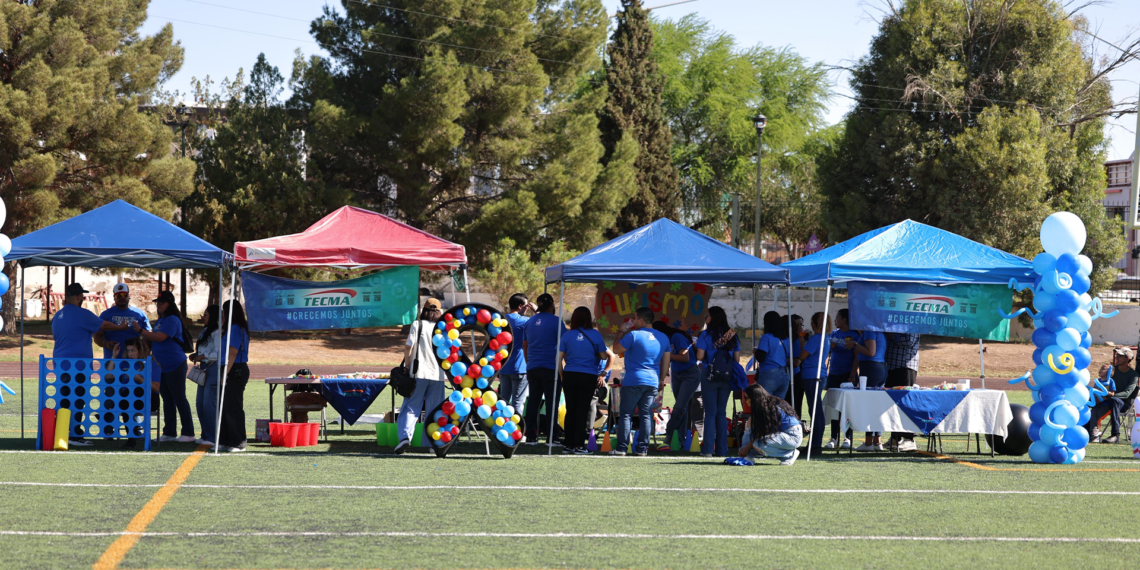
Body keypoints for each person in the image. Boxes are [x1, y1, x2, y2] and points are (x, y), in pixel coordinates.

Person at [52, 282, 129, 446]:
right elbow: (104, 325)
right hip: (77, 365)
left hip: (60, 365)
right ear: (79, 297)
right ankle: (75, 435)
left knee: (64, 399)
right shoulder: (82, 314)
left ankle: (62, 433)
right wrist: (122, 326)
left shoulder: (57, 315)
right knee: (78, 399)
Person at [133, 291, 193, 443]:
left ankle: (188, 432)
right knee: (167, 399)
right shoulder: (162, 320)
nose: (159, 304)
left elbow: (160, 338)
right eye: (157, 302)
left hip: (175, 364)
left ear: (170, 304)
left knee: (179, 398)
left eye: (162, 302)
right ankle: (170, 432)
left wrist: (141, 331)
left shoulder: (172, 320)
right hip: (164, 366)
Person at [611, 307, 670, 456]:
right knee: (646, 415)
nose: (633, 321)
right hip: (652, 381)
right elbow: (666, 361)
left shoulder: (634, 335)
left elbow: (616, 349)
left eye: (635, 318)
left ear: (641, 320)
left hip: (633, 380)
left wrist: (621, 331)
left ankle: (621, 448)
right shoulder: (663, 337)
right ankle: (642, 449)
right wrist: (662, 379)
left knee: (625, 414)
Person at [557, 307, 614, 455]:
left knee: (571, 410)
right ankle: (579, 446)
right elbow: (603, 356)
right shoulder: (595, 334)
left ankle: (568, 445)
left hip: (569, 374)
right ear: (589, 319)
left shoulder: (567, 335)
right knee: (582, 411)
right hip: (588, 375)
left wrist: (562, 375)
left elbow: (558, 358)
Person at [394, 299, 447, 453]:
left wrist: (408, 366)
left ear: (423, 310)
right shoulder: (442, 329)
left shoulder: (417, 325)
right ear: (439, 312)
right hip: (438, 374)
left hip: (418, 372)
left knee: (411, 407)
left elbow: (408, 347)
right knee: (434, 409)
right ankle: (432, 443)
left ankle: (405, 437)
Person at [695, 306, 739, 457]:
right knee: (721, 413)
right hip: (727, 376)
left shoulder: (706, 335)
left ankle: (708, 449)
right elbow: (737, 359)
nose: (705, 319)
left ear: (712, 317)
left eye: (706, 316)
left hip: (709, 374)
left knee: (710, 413)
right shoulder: (732, 334)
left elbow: (700, 356)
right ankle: (722, 450)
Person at [523, 293, 567, 445]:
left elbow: (525, 345)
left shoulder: (529, 322)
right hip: (551, 368)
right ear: (551, 305)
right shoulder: (557, 322)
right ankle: (552, 437)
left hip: (533, 367)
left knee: (533, 402)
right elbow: (565, 345)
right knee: (551, 403)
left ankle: (530, 436)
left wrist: (529, 362)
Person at [653, 320, 700, 452]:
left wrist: (666, 356)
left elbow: (684, 357)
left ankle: (669, 435)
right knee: (682, 408)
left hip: (690, 374)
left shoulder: (676, 337)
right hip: (677, 374)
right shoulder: (664, 340)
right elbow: (665, 360)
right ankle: (679, 440)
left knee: (679, 407)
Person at [214, 300, 251, 452]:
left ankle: (238, 442)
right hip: (229, 368)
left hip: (235, 369)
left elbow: (233, 352)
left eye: (223, 311)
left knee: (233, 406)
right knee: (223, 406)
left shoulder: (236, 328)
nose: (222, 314)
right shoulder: (230, 328)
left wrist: (225, 373)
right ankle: (225, 440)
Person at [738, 384, 803, 465]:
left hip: (792, 436)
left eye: (746, 397)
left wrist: (746, 448)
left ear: (754, 398)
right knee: (750, 422)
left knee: (758, 444)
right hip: (784, 434)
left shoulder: (769, 408)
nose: (744, 400)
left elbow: (763, 432)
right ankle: (747, 456)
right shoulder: (767, 403)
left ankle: (790, 455)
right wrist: (745, 449)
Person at [824, 309, 860, 450]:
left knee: (847, 407)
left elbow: (857, 357)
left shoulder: (854, 335)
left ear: (844, 320)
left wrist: (852, 375)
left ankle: (847, 437)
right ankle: (834, 437)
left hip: (847, 374)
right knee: (834, 407)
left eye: (837, 318)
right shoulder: (834, 333)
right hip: (833, 374)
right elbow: (829, 350)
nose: (834, 321)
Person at [114, 338, 160, 449]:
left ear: (140, 350)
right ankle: (131, 440)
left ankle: (110, 411)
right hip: (128, 401)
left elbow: (156, 388)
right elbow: (109, 376)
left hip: (149, 400)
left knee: (134, 391)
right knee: (126, 399)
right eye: (129, 351)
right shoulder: (125, 363)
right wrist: (113, 357)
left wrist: (140, 380)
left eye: (133, 350)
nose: (130, 354)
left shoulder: (151, 363)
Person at [1087, 347, 1138, 444]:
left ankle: (1115, 435)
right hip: (1108, 399)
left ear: (1127, 359)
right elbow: (1103, 383)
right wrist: (1098, 395)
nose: (1116, 357)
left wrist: (1108, 396)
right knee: (1089, 398)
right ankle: (1086, 430)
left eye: (1120, 356)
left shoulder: (1133, 375)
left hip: (1123, 403)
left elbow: (1127, 394)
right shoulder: (1113, 369)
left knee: (1114, 400)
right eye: (1117, 355)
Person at [796, 311, 832, 452]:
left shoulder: (817, 338)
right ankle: (815, 443)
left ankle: (815, 444)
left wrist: (800, 337)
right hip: (818, 374)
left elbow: (802, 355)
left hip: (813, 375)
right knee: (815, 410)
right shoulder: (825, 337)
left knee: (815, 411)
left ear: (814, 324)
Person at [849, 327, 887, 451]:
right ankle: (876, 441)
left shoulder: (869, 331)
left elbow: (871, 352)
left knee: (870, 405)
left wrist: (855, 344)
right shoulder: (876, 331)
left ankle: (869, 442)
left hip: (871, 368)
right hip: (878, 368)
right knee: (876, 406)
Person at [189, 305, 221, 447]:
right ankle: (205, 434)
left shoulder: (218, 332)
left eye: (206, 314)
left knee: (209, 404)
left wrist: (203, 355)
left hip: (213, 368)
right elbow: (203, 349)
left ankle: (213, 436)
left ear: (213, 316)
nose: (203, 316)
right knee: (200, 403)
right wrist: (196, 356)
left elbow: (219, 352)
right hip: (203, 368)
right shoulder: (205, 331)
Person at [499, 293, 537, 411]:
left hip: (503, 366)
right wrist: (536, 310)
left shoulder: (501, 319)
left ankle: (500, 426)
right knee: (518, 402)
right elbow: (543, 321)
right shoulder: (525, 321)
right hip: (519, 367)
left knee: (503, 400)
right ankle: (516, 428)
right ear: (520, 306)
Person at [884, 332, 921, 451]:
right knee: (892, 405)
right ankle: (895, 438)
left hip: (905, 367)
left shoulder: (911, 320)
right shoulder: (896, 321)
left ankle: (909, 439)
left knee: (905, 404)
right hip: (892, 366)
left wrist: (890, 335)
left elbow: (909, 341)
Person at [94, 283, 151, 359]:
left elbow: (149, 336)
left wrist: (143, 349)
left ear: (129, 296)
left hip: (134, 362)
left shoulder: (140, 314)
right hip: (112, 362)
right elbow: (97, 336)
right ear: (114, 297)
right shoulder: (105, 315)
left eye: (124, 295)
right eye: (118, 296)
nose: (122, 298)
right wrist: (107, 344)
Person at [753, 311, 791, 401]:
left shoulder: (767, 337)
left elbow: (761, 358)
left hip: (769, 373)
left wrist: (756, 352)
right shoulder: (786, 339)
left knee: (765, 404)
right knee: (779, 406)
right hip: (784, 374)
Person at [786, 314, 805, 415]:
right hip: (788, 376)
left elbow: (798, 362)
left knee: (796, 406)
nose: (800, 328)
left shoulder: (798, 340)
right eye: (797, 325)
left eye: (801, 325)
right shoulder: (788, 339)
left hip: (796, 376)